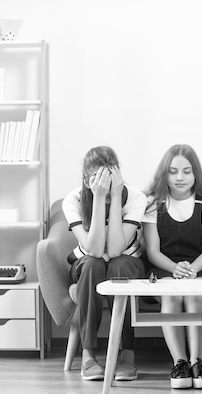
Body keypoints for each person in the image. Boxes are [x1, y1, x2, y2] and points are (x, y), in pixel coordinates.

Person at [62, 146, 146, 381]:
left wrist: (117, 196)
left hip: (127, 261)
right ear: (88, 181)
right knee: (92, 264)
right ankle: (88, 354)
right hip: (87, 262)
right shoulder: (74, 199)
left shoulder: (136, 196)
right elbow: (95, 250)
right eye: (98, 180)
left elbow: (117, 249)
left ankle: (127, 353)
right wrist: (98, 197)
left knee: (120, 265)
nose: (106, 186)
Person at [142, 144, 202, 389]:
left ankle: (198, 362)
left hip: (198, 267)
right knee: (171, 296)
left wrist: (192, 270)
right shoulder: (154, 203)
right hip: (165, 267)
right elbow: (153, 251)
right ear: (165, 174)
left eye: (186, 171)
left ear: (196, 173)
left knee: (195, 295)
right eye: (173, 171)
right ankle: (180, 363)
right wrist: (175, 269)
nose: (180, 177)